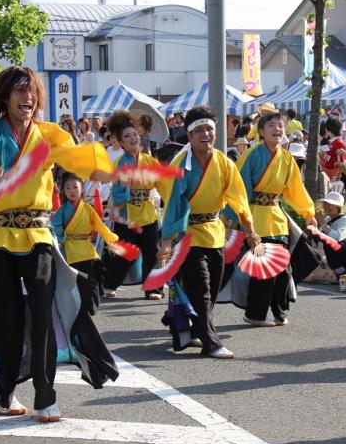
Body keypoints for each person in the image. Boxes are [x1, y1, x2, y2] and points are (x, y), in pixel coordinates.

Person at [0, 65, 116, 421]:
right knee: (7, 319)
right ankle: (4, 392)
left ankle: (45, 395)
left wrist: (112, 164)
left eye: (32, 91)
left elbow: (82, 160)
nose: (28, 97)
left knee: (44, 317)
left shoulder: (50, 135)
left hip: (38, 237)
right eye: (19, 90)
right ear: (4, 96)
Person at [158, 105, 257, 358]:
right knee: (201, 289)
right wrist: (167, 242)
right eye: (199, 130)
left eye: (210, 129)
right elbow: (173, 206)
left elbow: (239, 199)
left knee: (211, 289)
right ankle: (211, 343)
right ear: (189, 136)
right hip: (188, 234)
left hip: (214, 231)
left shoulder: (224, 162)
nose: (206, 134)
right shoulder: (181, 164)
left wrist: (250, 230)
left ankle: (193, 329)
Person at [235, 111, 316, 327]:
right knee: (264, 268)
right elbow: (238, 189)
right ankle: (255, 313)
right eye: (272, 125)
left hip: (277, 217)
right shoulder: (250, 156)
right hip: (256, 218)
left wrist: (309, 212)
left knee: (282, 269)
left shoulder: (287, 158)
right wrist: (235, 218)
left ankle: (278, 310)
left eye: (280, 126)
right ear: (261, 131)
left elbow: (295, 190)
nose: (277, 129)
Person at [103, 111, 165, 300]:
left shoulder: (150, 160)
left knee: (152, 253)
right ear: (120, 142)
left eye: (135, 134)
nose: (132, 138)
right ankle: (109, 284)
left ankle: (153, 288)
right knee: (126, 253)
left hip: (148, 212)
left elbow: (163, 184)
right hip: (127, 214)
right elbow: (117, 192)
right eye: (127, 136)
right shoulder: (121, 163)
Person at [52, 173, 119, 315]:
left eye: (75, 187)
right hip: (69, 248)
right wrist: (60, 236)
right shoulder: (62, 210)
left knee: (90, 281)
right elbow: (55, 224)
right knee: (72, 281)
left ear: (82, 189)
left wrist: (109, 236)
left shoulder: (88, 209)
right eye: (68, 188)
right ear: (63, 190)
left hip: (86, 249)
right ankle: (72, 307)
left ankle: (91, 306)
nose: (71, 191)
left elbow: (99, 225)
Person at [315, 191, 346, 275]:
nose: (327, 207)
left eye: (330, 204)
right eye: (326, 204)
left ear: (338, 207)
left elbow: (336, 237)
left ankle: (342, 272)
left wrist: (323, 223)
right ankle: (334, 271)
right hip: (332, 256)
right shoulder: (327, 219)